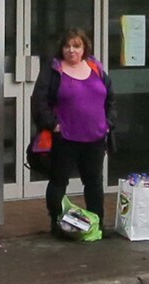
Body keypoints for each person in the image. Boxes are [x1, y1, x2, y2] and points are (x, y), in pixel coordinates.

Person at [31, 28, 112, 240]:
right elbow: (39, 101)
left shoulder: (95, 66)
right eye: (67, 46)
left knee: (94, 181)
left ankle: (97, 223)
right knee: (59, 181)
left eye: (76, 46)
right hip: (65, 138)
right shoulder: (54, 69)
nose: (71, 51)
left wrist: (108, 124)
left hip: (95, 137)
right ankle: (57, 223)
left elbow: (110, 98)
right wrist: (53, 125)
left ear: (84, 48)